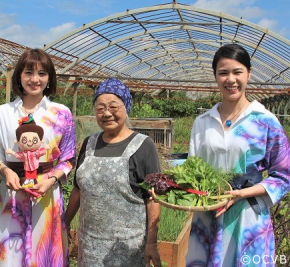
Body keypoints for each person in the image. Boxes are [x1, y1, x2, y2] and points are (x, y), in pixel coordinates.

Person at [186, 43, 290, 266]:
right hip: (207, 213)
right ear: (215, 77)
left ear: (249, 73)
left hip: (247, 216)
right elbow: (192, 170)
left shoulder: (265, 121)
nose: (230, 79)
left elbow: (284, 175)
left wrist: (241, 194)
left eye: (237, 72)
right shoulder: (202, 121)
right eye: (223, 73)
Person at [0, 48, 76, 266]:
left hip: (46, 194)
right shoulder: (3, 113)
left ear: (49, 78)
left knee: (45, 250)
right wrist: (6, 171)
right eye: (28, 72)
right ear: (19, 75)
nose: (35, 79)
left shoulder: (61, 113)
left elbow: (68, 158)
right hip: (12, 194)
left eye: (42, 73)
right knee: (9, 252)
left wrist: (51, 180)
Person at [65, 78, 162, 267]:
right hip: (89, 246)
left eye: (113, 107)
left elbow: (153, 199)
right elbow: (78, 188)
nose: (107, 113)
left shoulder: (143, 145)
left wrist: (151, 243)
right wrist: (65, 222)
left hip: (128, 249)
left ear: (126, 107)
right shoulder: (89, 143)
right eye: (100, 108)